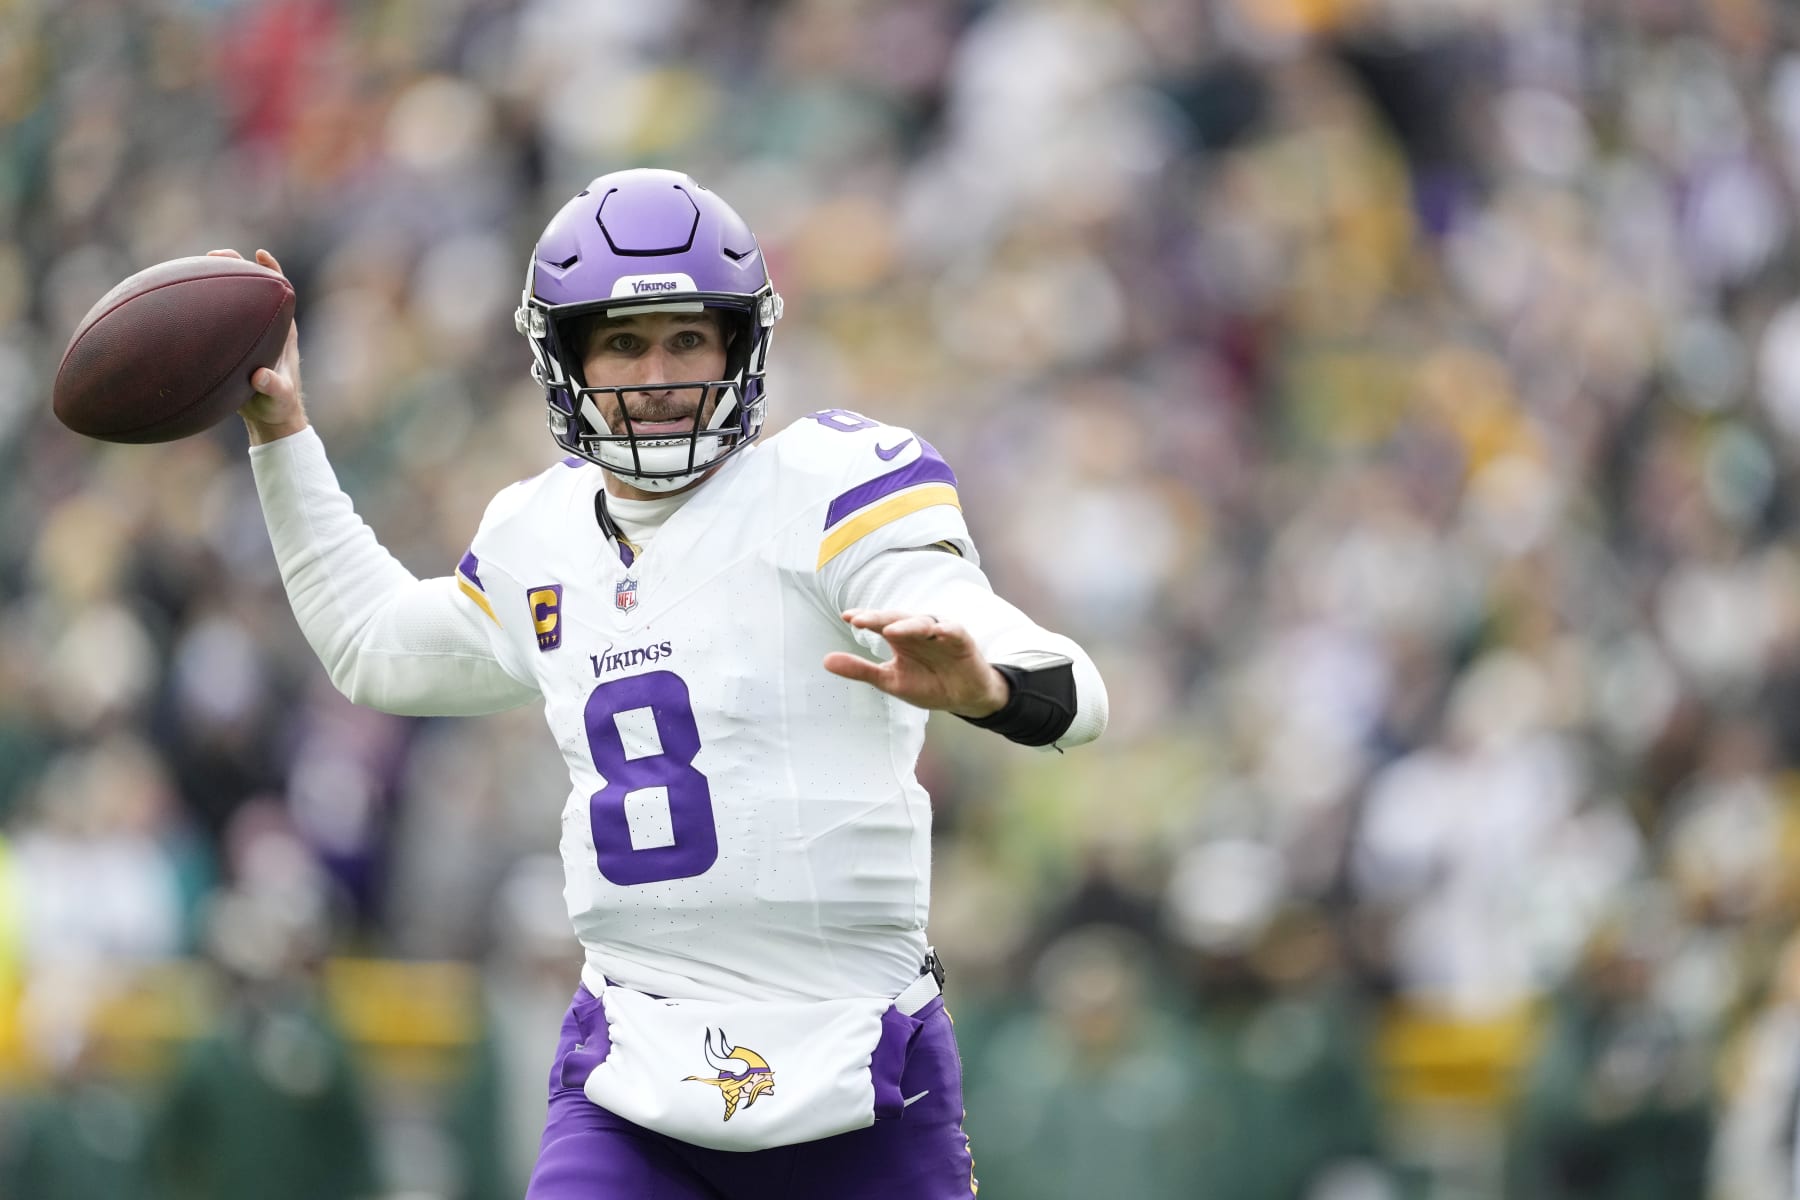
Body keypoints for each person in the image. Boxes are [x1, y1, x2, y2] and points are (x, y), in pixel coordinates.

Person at [219, 166, 1108, 1199]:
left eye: (688, 339)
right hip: (633, 1069)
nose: (657, 373)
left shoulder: (830, 487)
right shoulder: (537, 535)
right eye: (624, 342)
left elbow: (1071, 688)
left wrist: (993, 685)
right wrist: (283, 438)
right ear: (569, 358)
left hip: (855, 1068)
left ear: (739, 347)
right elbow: (373, 643)